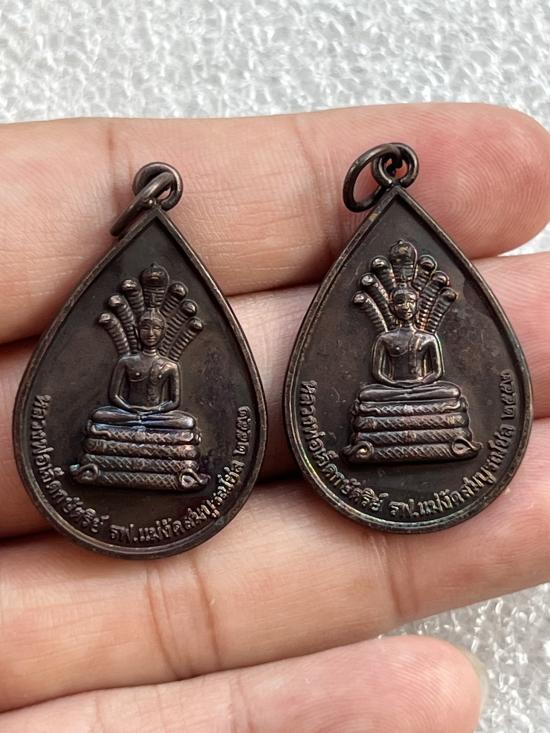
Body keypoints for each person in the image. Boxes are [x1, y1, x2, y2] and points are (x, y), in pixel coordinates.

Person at [1, 104, 550, 732]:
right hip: (135, 427)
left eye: (404, 303)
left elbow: (422, 379)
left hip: (407, 403)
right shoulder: (134, 360)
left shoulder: (420, 339)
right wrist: (135, 410)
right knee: (124, 422)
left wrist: (410, 372)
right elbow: (125, 402)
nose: (150, 333)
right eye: (145, 328)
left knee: (422, 399)